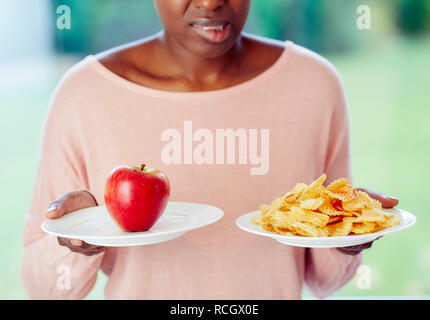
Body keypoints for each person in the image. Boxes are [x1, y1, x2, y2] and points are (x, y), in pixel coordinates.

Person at [22, 0, 398, 299]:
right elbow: (45, 290)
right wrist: (71, 241)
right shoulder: (84, 94)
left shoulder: (315, 85)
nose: (211, 2)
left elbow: (323, 284)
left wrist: (346, 234)